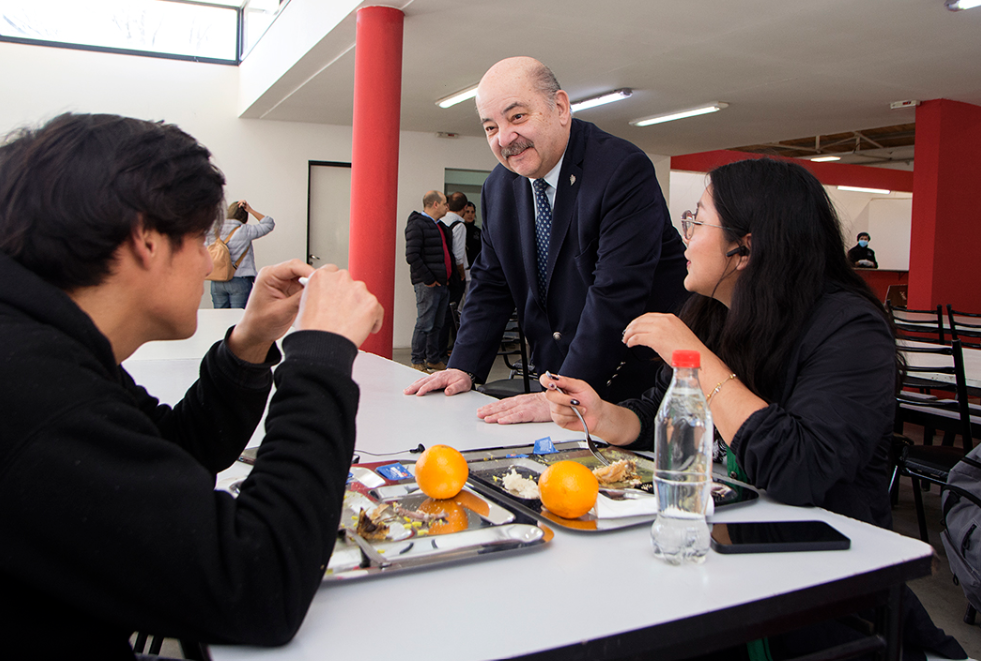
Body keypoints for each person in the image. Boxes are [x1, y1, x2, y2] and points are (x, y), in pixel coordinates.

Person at [540, 157, 964, 661]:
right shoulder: (713, 310)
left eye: (696, 220)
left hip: (821, 594)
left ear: (746, 247)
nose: (686, 237)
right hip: (721, 557)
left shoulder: (848, 329)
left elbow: (798, 467)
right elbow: (664, 412)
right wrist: (605, 415)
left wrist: (696, 361)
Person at [0, 113, 383, 660]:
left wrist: (250, 342)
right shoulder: (34, 392)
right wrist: (321, 355)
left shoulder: (41, 345)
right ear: (146, 240)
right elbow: (258, 582)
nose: (209, 262)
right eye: (200, 239)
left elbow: (168, 452)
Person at [405, 56, 688, 423]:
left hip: (633, 386)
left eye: (517, 117)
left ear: (560, 108)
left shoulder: (621, 170)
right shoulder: (498, 188)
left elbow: (617, 293)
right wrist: (463, 368)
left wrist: (562, 392)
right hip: (555, 379)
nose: (505, 138)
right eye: (490, 127)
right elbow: (491, 284)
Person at [404, 190, 452, 373]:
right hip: (428, 285)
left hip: (442, 284)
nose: (447, 207)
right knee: (425, 323)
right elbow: (412, 256)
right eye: (445, 203)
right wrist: (429, 279)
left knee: (437, 325)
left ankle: (433, 359)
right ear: (435, 204)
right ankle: (417, 360)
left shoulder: (439, 226)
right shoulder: (417, 225)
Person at [208, 199, 275, 308]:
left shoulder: (215, 230)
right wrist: (251, 210)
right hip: (240, 280)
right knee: (238, 319)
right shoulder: (245, 230)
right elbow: (269, 223)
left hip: (217, 280)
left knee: (219, 318)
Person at [436, 191, 469, 362]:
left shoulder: (439, 222)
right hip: (454, 275)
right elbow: (458, 255)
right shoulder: (459, 225)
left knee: (440, 313)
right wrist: (462, 275)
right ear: (464, 207)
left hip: (440, 274)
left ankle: (437, 352)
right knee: (453, 314)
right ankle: (449, 351)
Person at [460, 201, 482, 313]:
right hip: (460, 270)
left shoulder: (478, 232)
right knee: (459, 303)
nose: (470, 214)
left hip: (473, 270)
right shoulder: (459, 228)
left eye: (472, 212)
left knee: (470, 300)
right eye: (467, 211)